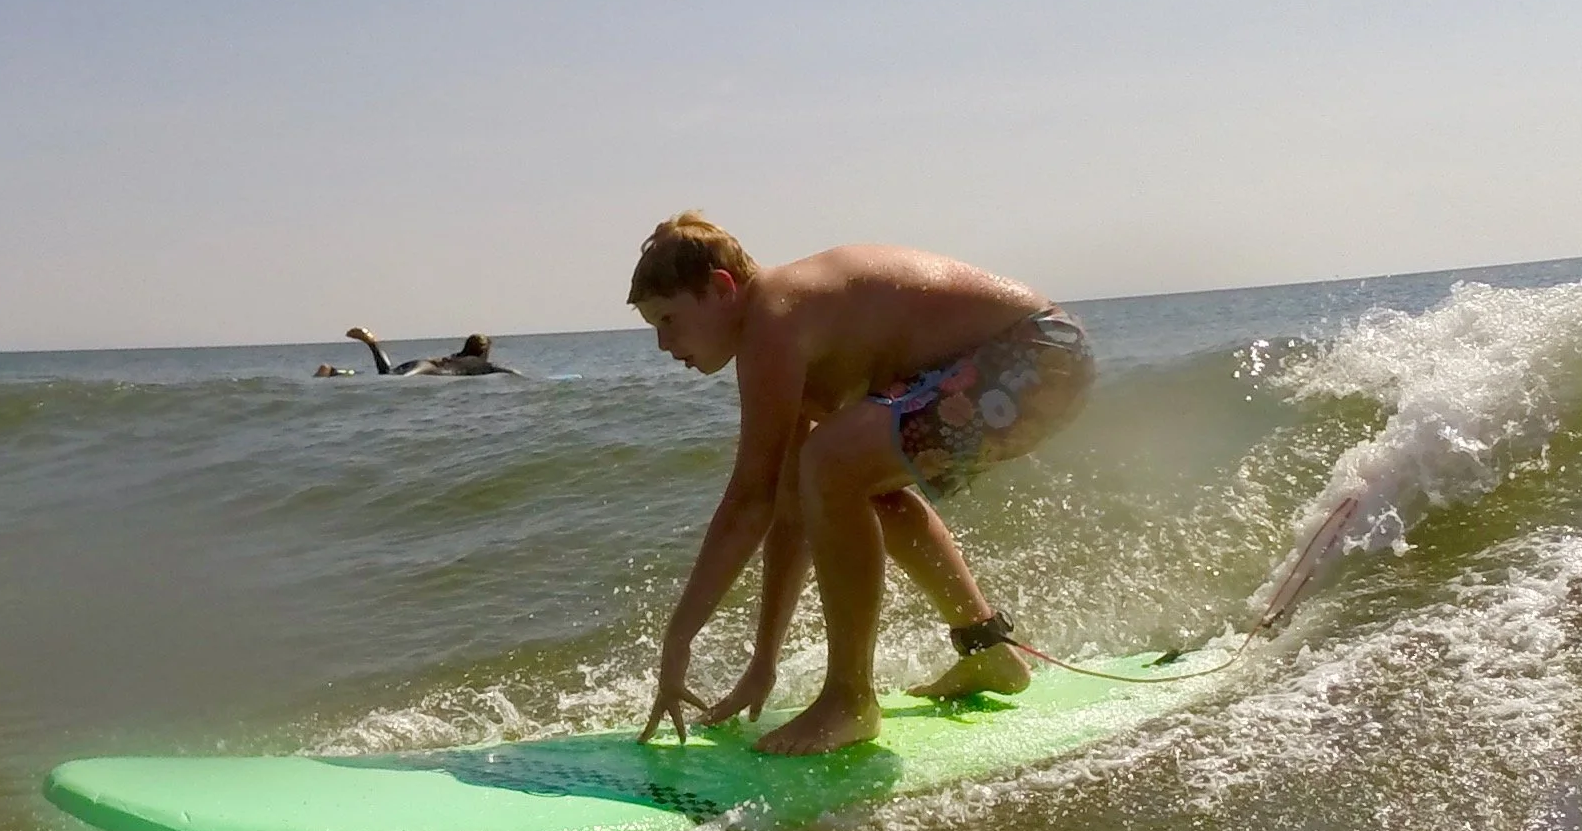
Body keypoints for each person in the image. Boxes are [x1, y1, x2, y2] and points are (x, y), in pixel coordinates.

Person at [628, 212, 1093, 755]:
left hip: (1040, 354)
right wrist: (764, 663)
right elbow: (787, 508)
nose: (663, 344)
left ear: (720, 288)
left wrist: (678, 639)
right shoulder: (788, 330)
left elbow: (748, 500)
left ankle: (850, 699)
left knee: (833, 461)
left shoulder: (774, 316)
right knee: (846, 475)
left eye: (668, 319)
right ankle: (986, 648)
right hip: (1041, 356)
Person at [342, 327, 521, 377]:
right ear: (485, 350)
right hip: (428, 369)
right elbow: (507, 371)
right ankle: (372, 344)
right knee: (393, 377)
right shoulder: (484, 365)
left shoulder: (457, 357)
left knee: (388, 373)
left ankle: (372, 345)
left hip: (423, 363)